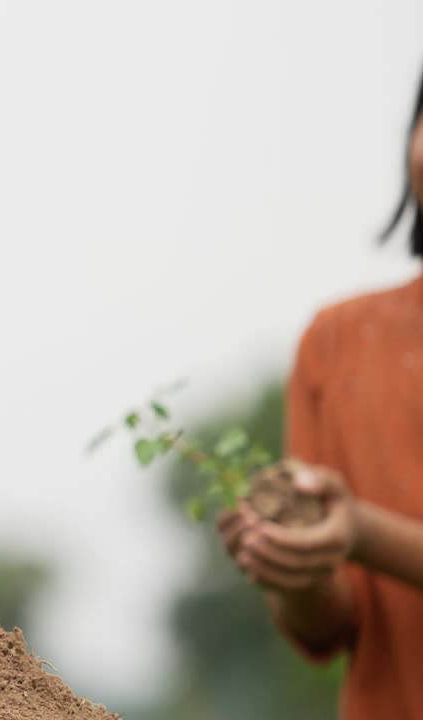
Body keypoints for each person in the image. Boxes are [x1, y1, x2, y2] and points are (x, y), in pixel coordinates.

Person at [217, 65, 423, 719]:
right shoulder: (336, 344)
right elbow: (329, 627)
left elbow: (356, 537)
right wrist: (293, 563)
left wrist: (360, 531)